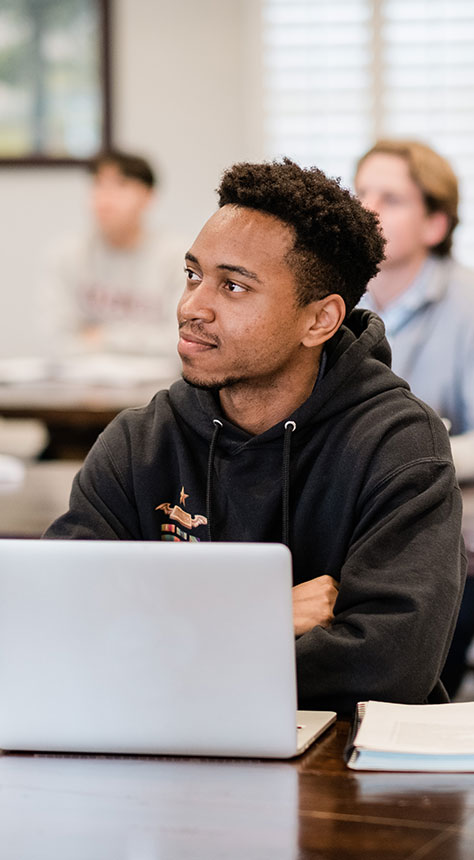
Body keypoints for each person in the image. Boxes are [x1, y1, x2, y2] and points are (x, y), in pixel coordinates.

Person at [43, 158, 466, 716]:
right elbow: (56, 628)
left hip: (345, 779)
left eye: (234, 286)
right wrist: (261, 616)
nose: (192, 306)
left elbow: (389, 667)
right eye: (193, 275)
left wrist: (163, 641)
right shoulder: (139, 442)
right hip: (162, 757)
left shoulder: (400, 448)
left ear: (319, 321)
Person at [355, 139, 474, 698]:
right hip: (355, 510)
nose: (367, 208)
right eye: (361, 192)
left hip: (447, 516)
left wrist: (406, 454)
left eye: (391, 198)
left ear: (434, 224)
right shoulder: (333, 303)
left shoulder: (467, 306)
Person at [39, 149, 184, 361]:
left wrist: (104, 338)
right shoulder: (66, 255)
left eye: (121, 185)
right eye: (98, 184)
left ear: (148, 197)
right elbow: (56, 340)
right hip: (81, 384)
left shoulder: (177, 258)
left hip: (157, 386)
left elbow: (181, 342)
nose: (105, 198)